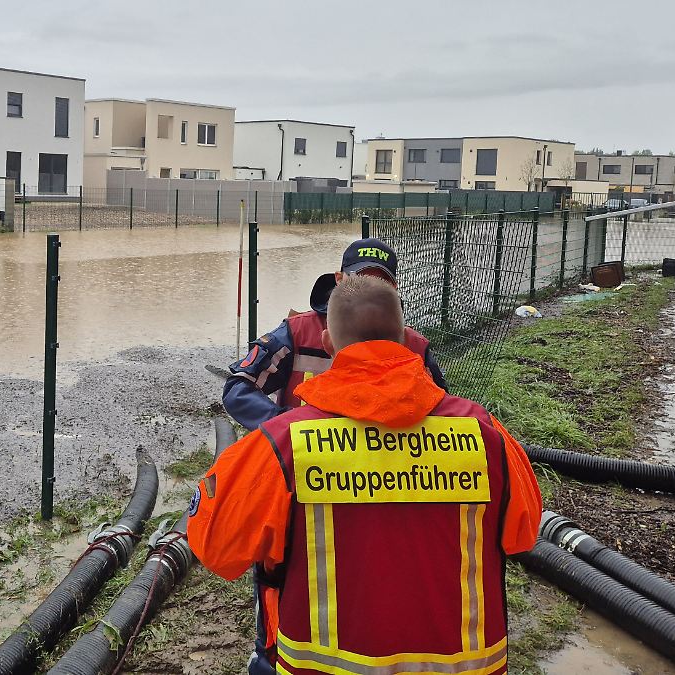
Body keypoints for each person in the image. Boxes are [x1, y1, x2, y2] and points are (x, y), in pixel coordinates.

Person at [190, 275, 542, 675]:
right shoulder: (487, 435)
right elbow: (523, 534)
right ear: (408, 341)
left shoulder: (282, 446)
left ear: (327, 344)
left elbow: (216, 547)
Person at [223, 238, 447, 433]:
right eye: (360, 278)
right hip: (309, 465)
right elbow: (239, 388)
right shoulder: (298, 332)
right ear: (339, 279)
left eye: (380, 282)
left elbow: (441, 408)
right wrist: (286, 426)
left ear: (394, 289)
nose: (368, 289)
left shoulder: (415, 346)